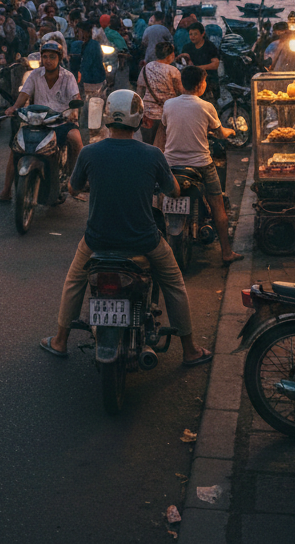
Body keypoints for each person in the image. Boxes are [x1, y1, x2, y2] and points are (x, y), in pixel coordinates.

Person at [39, 90, 212, 365]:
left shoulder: (90, 152)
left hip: (97, 240)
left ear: (108, 116)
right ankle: (189, 350)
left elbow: (73, 187)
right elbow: (174, 190)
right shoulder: (153, 154)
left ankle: (60, 340)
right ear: (139, 119)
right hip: (144, 241)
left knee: (75, 281)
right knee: (175, 283)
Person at [162, 65, 242, 264]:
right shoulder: (206, 106)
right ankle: (226, 252)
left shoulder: (169, 105)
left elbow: (166, 126)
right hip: (201, 165)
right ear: (200, 85)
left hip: (171, 164)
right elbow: (219, 133)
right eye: (205, 81)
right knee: (218, 204)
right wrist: (231, 131)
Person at [0, 40, 83, 204]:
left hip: (61, 120)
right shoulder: (34, 74)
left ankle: (75, 181)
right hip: (37, 121)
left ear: (59, 58)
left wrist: (74, 112)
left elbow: (76, 97)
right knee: (16, 149)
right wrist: (14, 107)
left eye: (52, 57)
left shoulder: (68, 77)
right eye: (45, 56)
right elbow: (24, 93)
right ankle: (6, 192)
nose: (48, 60)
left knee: (76, 139)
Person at [136, 40, 183, 148]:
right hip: (168, 115)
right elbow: (180, 92)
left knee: (147, 145)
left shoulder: (146, 68)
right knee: (165, 147)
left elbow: (139, 92)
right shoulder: (174, 71)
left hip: (148, 115)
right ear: (171, 55)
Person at [181, 22, 221, 102]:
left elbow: (215, 64)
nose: (193, 37)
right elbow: (182, 62)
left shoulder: (210, 46)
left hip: (209, 80)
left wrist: (197, 68)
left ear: (202, 34)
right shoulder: (187, 47)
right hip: (193, 82)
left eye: (195, 34)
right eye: (191, 34)